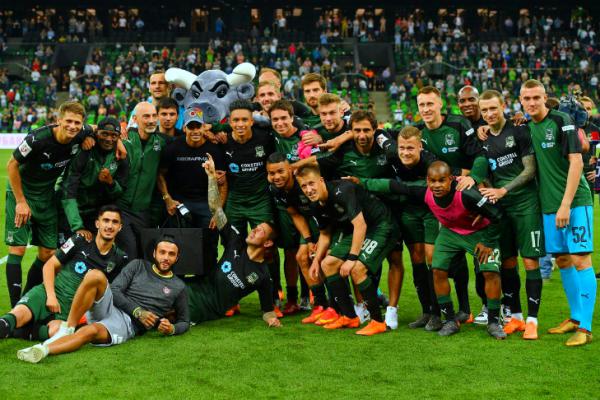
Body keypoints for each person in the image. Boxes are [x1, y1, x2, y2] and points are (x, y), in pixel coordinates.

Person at [361, 161, 506, 339]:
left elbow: (497, 213)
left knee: (490, 272)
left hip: (480, 233)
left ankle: (494, 322)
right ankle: (450, 320)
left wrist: (488, 242)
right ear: (427, 180)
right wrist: (362, 182)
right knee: (437, 269)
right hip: (450, 232)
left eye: (442, 180)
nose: (437, 185)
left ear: (451, 179)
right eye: (433, 181)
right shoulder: (425, 192)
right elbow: (395, 186)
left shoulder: (467, 193)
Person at [16, 234, 189, 363]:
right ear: (154, 253)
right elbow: (115, 290)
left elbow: (185, 321)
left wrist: (172, 329)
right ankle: (68, 327)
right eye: (162, 252)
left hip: (127, 323)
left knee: (90, 331)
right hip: (111, 305)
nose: (166, 258)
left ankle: (42, 350)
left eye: (171, 254)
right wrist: (138, 311)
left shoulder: (178, 286)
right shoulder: (137, 265)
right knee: (95, 275)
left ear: (177, 257)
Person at [520, 79, 596, 346]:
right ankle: (575, 317)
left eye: (536, 97)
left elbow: (576, 162)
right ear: (521, 101)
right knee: (563, 260)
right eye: (527, 98)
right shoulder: (526, 127)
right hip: (548, 205)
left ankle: (585, 328)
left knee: (580, 259)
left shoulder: (561, 120)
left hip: (574, 202)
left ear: (545, 98)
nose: (532, 102)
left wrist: (566, 204)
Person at [5, 101, 92, 307]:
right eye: (68, 121)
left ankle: (26, 300)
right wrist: (20, 202)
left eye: (77, 123)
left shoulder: (82, 132)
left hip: (47, 196)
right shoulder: (37, 139)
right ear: (58, 120)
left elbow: (97, 128)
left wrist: (105, 138)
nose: (72, 126)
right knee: (18, 249)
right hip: (22, 194)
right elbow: (12, 164)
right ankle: (15, 308)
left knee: (47, 253)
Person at [296, 165, 398, 336]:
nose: (308, 190)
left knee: (357, 269)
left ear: (321, 180)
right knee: (327, 264)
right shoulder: (315, 205)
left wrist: (351, 258)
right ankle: (350, 317)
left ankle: (378, 322)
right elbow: (325, 234)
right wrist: (316, 261)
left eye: (311, 183)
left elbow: (360, 225)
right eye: (303, 186)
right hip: (358, 229)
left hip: (381, 225)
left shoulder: (343, 190)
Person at [0, 206, 128, 341]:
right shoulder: (81, 240)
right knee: (18, 314)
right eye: (106, 220)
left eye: (115, 222)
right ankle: (10, 326)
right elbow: (49, 265)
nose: (109, 226)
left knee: (57, 332)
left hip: (71, 310)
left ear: (120, 227)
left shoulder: (120, 258)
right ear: (97, 223)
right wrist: (51, 296)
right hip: (48, 293)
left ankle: (19, 332)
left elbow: (107, 295)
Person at [417, 85, 488, 323]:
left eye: (430, 104)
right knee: (453, 258)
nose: (426, 109)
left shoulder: (458, 124)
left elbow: (479, 156)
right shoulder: (418, 133)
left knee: (481, 258)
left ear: (440, 105)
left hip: (469, 197)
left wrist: (472, 177)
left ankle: (490, 307)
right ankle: (464, 310)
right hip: (443, 201)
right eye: (422, 105)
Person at [477, 90, 545, 339]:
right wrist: (489, 190)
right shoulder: (483, 139)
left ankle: (532, 320)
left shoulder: (519, 130)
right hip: (501, 209)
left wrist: (503, 190)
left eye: (493, 108)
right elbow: (486, 173)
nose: (489, 114)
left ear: (503, 105)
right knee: (507, 262)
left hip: (526, 204)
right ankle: (516, 316)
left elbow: (530, 170)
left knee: (530, 262)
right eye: (485, 110)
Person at [185, 154, 281, 327]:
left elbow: (267, 310)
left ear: (268, 243)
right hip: (193, 288)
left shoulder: (262, 276)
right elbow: (216, 209)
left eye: (260, 230)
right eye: (256, 227)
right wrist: (211, 178)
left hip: (206, 307)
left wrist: (271, 319)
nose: (254, 229)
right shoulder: (235, 240)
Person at [157, 108, 226, 270]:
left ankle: (207, 282)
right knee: (176, 246)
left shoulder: (214, 149)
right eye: (191, 127)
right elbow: (160, 174)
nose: (195, 131)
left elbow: (223, 182)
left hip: (206, 205)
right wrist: (167, 199)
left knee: (208, 247)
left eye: (198, 126)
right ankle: (177, 281)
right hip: (180, 204)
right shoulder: (173, 148)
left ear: (204, 127)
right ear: (185, 128)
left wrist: (218, 211)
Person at [59, 117, 129, 244]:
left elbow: (120, 192)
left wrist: (110, 183)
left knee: (93, 252)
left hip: (95, 214)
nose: (109, 139)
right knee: (62, 252)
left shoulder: (121, 155)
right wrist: (78, 227)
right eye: (104, 134)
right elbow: (68, 191)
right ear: (97, 133)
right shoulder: (84, 149)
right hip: (70, 212)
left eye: (114, 135)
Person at [117, 102, 169, 258]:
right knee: (129, 251)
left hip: (143, 211)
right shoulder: (124, 137)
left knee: (144, 254)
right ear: (135, 119)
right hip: (121, 208)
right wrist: (117, 129)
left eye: (154, 116)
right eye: (146, 116)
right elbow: (97, 130)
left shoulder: (162, 143)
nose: (151, 120)